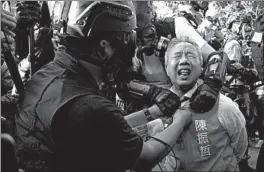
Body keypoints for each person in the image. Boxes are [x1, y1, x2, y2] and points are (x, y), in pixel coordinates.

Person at [15, 2, 192, 172]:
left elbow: (108, 129)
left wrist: (153, 112)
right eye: (126, 41)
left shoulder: (44, 75)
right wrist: (181, 119)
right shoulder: (89, 106)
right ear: (104, 47)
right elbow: (144, 157)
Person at [163, 37, 248, 171]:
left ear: (202, 67)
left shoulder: (224, 106)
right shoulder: (157, 109)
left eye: (190, 55)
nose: (184, 60)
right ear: (167, 68)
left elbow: (240, 147)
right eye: (177, 56)